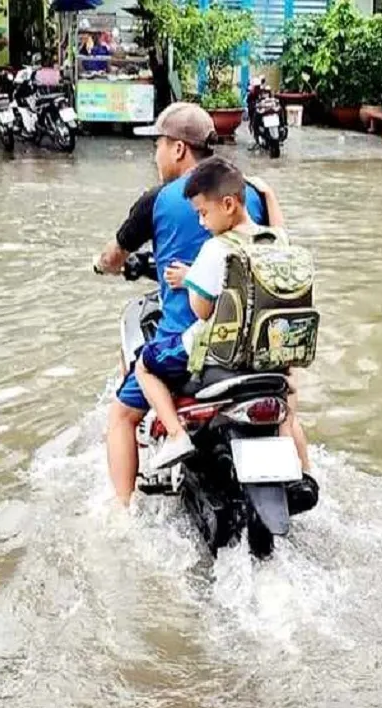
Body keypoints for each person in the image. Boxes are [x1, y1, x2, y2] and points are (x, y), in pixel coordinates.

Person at [93, 102, 311, 507]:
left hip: (199, 349)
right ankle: (304, 474)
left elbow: (115, 257)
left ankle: (120, 511)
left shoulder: (159, 201)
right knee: (288, 410)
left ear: (178, 149)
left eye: (157, 144)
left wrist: (100, 265)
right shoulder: (250, 193)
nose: (154, 154)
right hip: (260, 351)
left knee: (122, 415)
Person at [132, 156, 282, 469]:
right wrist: (268, 196)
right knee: (289, 414)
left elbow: (200, 311)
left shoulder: (216, 249)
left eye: (203, 213)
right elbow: (280, 231)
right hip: (266, 353)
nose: (202, 222)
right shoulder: (277, 241)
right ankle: (303, 468)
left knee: (145, 365)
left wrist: (190, 280)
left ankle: (175, 435)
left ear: (228, 205)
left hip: (216, 353)